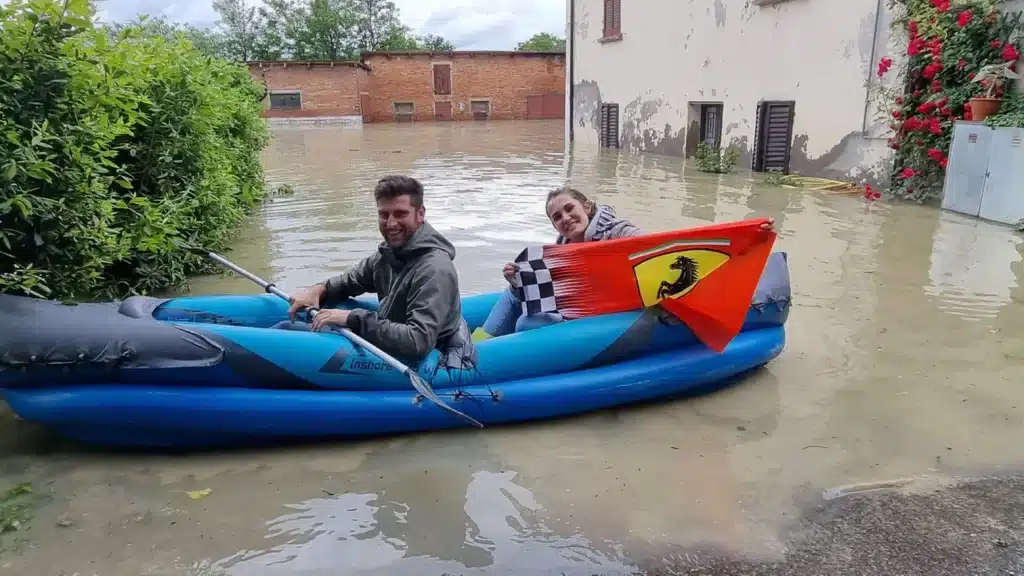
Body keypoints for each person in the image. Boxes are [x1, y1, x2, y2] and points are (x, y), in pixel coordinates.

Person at [278, 175, 476, 371]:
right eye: (384, 214)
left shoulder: (434, 269)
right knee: (289, 326)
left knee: (287, 330)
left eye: (400, 214)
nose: (390, 223)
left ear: (420, 214)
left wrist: (352, 319)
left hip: (424, 356)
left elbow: (418, 342)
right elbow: (350, 281)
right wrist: (318, 289)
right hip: (390, 333)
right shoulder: (388, 254)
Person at [471, 187, 643, 342]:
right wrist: (518, 282)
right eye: (557, 217)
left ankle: (489, 357)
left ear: (587, 207)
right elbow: (552, 296)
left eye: (569, 209)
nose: (566, 218)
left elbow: (653, 249)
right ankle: (478, 347)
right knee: (513, 293)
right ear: (555, 226)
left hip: (604, 314)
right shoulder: (559, 251)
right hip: (572, 310)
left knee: (526, 323)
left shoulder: (617, 231)